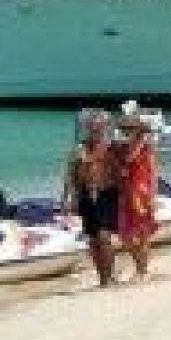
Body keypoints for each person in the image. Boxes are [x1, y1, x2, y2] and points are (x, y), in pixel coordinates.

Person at [61, 109, 119, 287]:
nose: (96, 132)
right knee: (93, 240)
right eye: (93, 129)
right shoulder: (79, 150)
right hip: (85, 195)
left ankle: (109, 276)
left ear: (104, 128)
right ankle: (102, 278)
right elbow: (70, 176)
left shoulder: (111, 148)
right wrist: (66, 199)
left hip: (106, 194)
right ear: (87, 129)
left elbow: (122, 171)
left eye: (99, 129)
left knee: (104, 237)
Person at [114, 113, 159, 281]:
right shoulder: (121, 149)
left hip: (142, 194)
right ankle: (140, 265)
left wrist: (153, 197)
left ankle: (142, 271)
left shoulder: (147, 148)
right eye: (125, 129)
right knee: (124, 235)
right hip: (125, 194)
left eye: (131, 129)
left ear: (138, 130)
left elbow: (153, 174)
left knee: (143, 234)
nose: (127, 132)